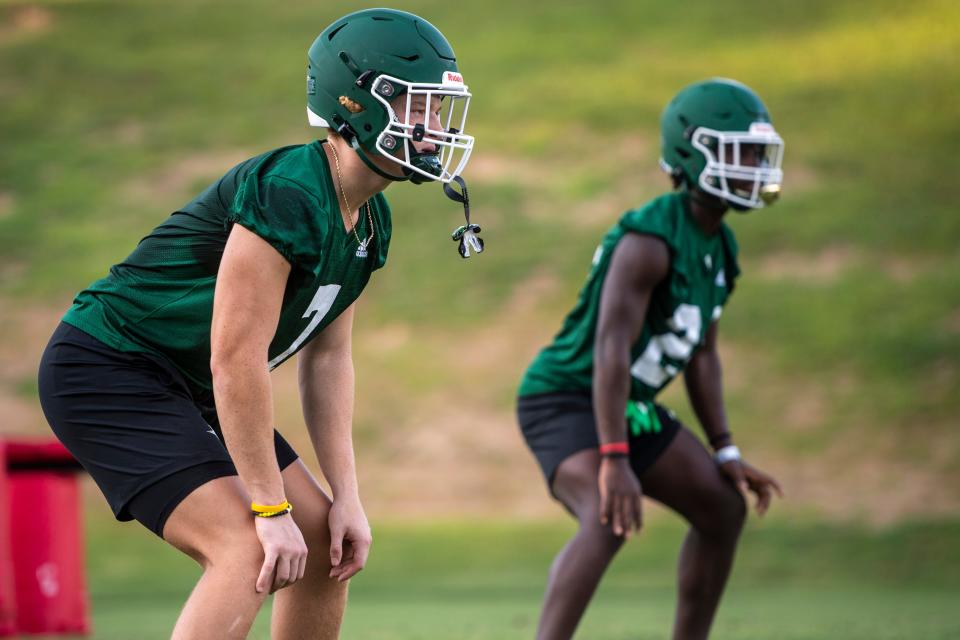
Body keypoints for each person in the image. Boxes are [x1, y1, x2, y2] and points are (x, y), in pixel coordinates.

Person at [37, 8, 475, 639]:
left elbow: (328, 361)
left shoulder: (371, 219)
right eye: (417, 107)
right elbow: (235, 359)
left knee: (324, 539)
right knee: (248, 550)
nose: (433, 129)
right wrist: (269, 507)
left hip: (189, 382)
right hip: (110, 369)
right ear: (355, 103)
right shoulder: (289, 191)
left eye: (438, 110)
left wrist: (346, 494)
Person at [516, 78, 785, 640]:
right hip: (565, 396)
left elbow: (703, 353)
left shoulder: (721, 246)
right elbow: (610, 350)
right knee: (608, 516)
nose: (754, 166)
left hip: (625, 402)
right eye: (740, 153)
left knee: (723, 509)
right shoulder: (649, 240)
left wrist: (725, 447)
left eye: (758, 153)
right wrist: (615, 457)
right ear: (693, 155)